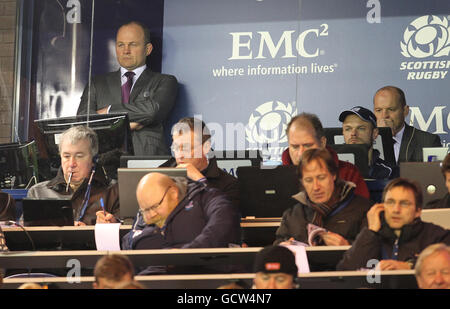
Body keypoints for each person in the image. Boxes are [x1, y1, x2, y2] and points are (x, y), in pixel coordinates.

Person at [77, 21, 178, 156]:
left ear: (148, 49)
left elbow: (151, 112)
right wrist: (127, 125)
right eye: (121, 45)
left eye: (133, 44)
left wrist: (108, 111)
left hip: (148, 163)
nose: (126, 51)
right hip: (104, 163)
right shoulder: (97, 83)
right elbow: (84, 120)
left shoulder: (165, 81)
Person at [337, 178, 450, 271]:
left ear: (418, 211)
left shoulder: (436, 236)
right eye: (390, 202)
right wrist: (371, 231)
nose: (396, 209)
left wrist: (410, 266)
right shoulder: (372, 236)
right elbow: (345, 271)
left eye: (404, 204)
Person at [275, 148, 373, 247]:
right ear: (302, 182)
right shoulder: (292, 215)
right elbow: (277, 248)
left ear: (333, 175)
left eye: (321, 178)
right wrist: (283, 249)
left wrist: (348, 245)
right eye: (308, 180)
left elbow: (374, 251)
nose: (316, 187)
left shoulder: (364, 210)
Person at [121, 172, 241, 250]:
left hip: (208, 273)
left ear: (173, 193)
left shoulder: (205, 197)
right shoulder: (149, 205)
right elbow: (130, 241)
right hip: (157, 274)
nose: (151, 214)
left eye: (155, 207)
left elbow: (223, 223)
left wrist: (186, 252)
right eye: (145, 210)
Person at [27, 126, 119, 226]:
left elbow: (129, 236)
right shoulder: (38, 193)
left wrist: (113, 225)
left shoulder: (114, 191)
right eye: (66, 156)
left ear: (94, 159)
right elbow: (26, 237)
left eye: (79, 156)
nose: (71, 163)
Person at [282, 113, 370, 199]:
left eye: (307, 145)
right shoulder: (277, 177)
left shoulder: (348, 173)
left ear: (322, 143)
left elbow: (361, 210)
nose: (301, 153)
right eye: (295, 147)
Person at [161, 117, 239, 209]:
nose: (179, 155)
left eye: (186, 148)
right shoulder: (160, 176)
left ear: (206, 147)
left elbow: (224, 217)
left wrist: (200, 180)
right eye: (176, 148)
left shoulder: (228, 185)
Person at [373, 86, 441, 163]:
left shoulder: (429, 142)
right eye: (378, 110)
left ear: (405, 111)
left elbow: (436, 174)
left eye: (391, 109)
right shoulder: (367, 142)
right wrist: (381, 138)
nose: (384, 115)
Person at [339, 106, 397, 179]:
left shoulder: (391, 172)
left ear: (375, 133)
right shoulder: (331, 169)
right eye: (348, 129)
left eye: (361, 128)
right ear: (343, 133)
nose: (353, 133)